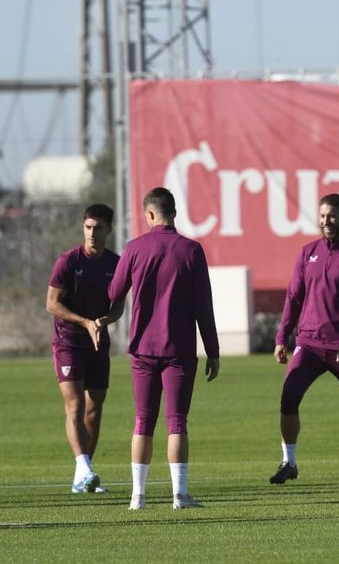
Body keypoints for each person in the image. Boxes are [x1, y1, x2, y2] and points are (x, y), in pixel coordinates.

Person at [108, 187, 219, 510]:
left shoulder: (134, 248)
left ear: (150, 215)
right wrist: (212, 350)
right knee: (177, 421)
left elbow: (114, 292)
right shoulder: (192, 250)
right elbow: (204, 306)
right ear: (174, 212)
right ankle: (179, 495)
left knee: (143, 420)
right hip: (179, 348)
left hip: (143, 347)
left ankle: (137, 496)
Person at [270, 193, 339, 486]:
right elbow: (293, 297)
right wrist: (283, 337)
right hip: (309, 343)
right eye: (322, 216)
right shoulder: (307, 253)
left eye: (331, 216)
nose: (326, 221)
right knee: (288, 397)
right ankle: (288, 462)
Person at [46, 203, 124, 494]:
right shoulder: (68, 261)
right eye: (88, 227)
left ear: (109, 230)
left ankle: (84, 474)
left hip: (98, 342)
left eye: (98, 228)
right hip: (68, 341)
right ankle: (83, 467)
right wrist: (84, 322)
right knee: (75, 405)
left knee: (95, 405)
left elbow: (118, 307)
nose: (92, 233)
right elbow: (52, 304)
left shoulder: (115, 264)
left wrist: (103, 321)